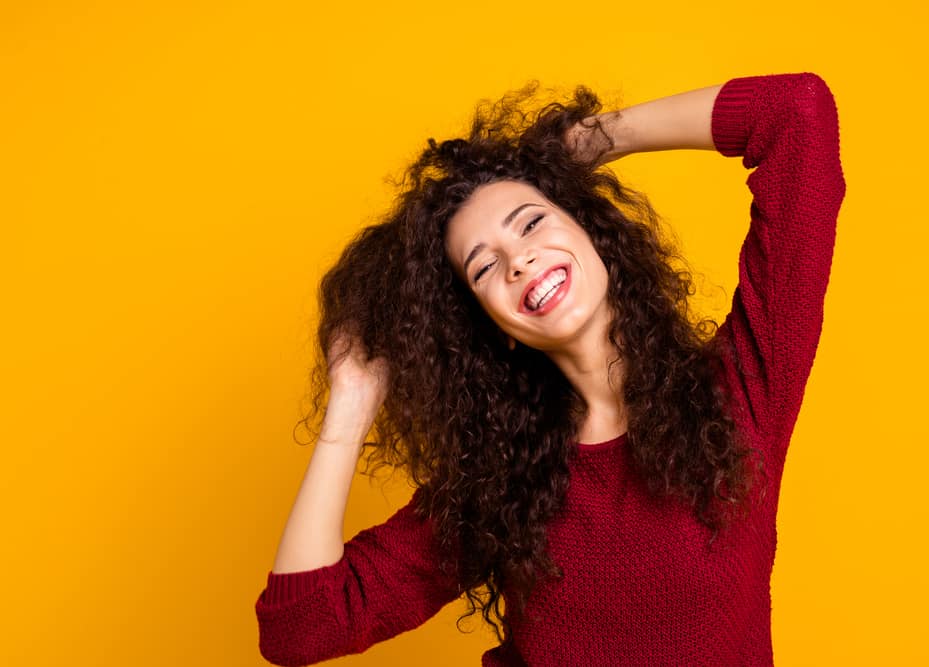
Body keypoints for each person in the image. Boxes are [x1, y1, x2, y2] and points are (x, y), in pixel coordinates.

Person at [255, 71, 846, 666]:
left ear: (590, 227)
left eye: (532, 223)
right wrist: (352, 400)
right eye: (484, 268)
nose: (519, 261)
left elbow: (795, 112)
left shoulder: (742, 390)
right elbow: (301, 630)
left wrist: (591, 141)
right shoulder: (500, 485)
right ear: (488, 325)